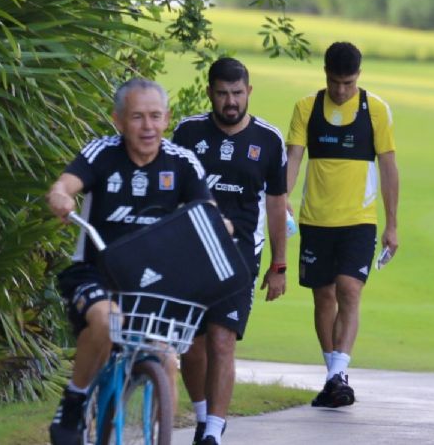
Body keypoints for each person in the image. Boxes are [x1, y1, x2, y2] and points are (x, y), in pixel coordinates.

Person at [46, 79, 212, 445]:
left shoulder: (182, 163)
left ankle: (157, 435)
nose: (148, 126)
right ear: (118, 120)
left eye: (155, 116)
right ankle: (74, 400)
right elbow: (67, 184)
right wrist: (60, 196)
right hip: (95, 273)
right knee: (107, 321)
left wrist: (221, 225)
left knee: (167, 361)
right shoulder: (102, 153)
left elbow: (208, 211)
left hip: (152, 281)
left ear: (167, 119)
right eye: (137, 117)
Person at [173, 57, 289, 445]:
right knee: (192, 344)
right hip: (191, 248)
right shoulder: (187, 133)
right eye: (222, 93)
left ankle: (212, 432)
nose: (230, 101)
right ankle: (203, 414)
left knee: (223, 339)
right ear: (210, 92)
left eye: (237, 93)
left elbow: (277, 205)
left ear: (249, 92)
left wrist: (279, 265)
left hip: (240, 250)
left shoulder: (269, 141)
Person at [285, 41, 399, 408]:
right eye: (335, 82)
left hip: (359, 220)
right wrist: (283, 197)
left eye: (348, 83)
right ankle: (333, 375)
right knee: (324, 297)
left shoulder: (376, 111)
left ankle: (339, 373)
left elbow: (389, 168)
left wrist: (392, 225)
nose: (341, 90)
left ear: (359, 77)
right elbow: (294, 159)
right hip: (316, 220)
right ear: (325, 74)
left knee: (349, 289)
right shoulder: (306, 108)